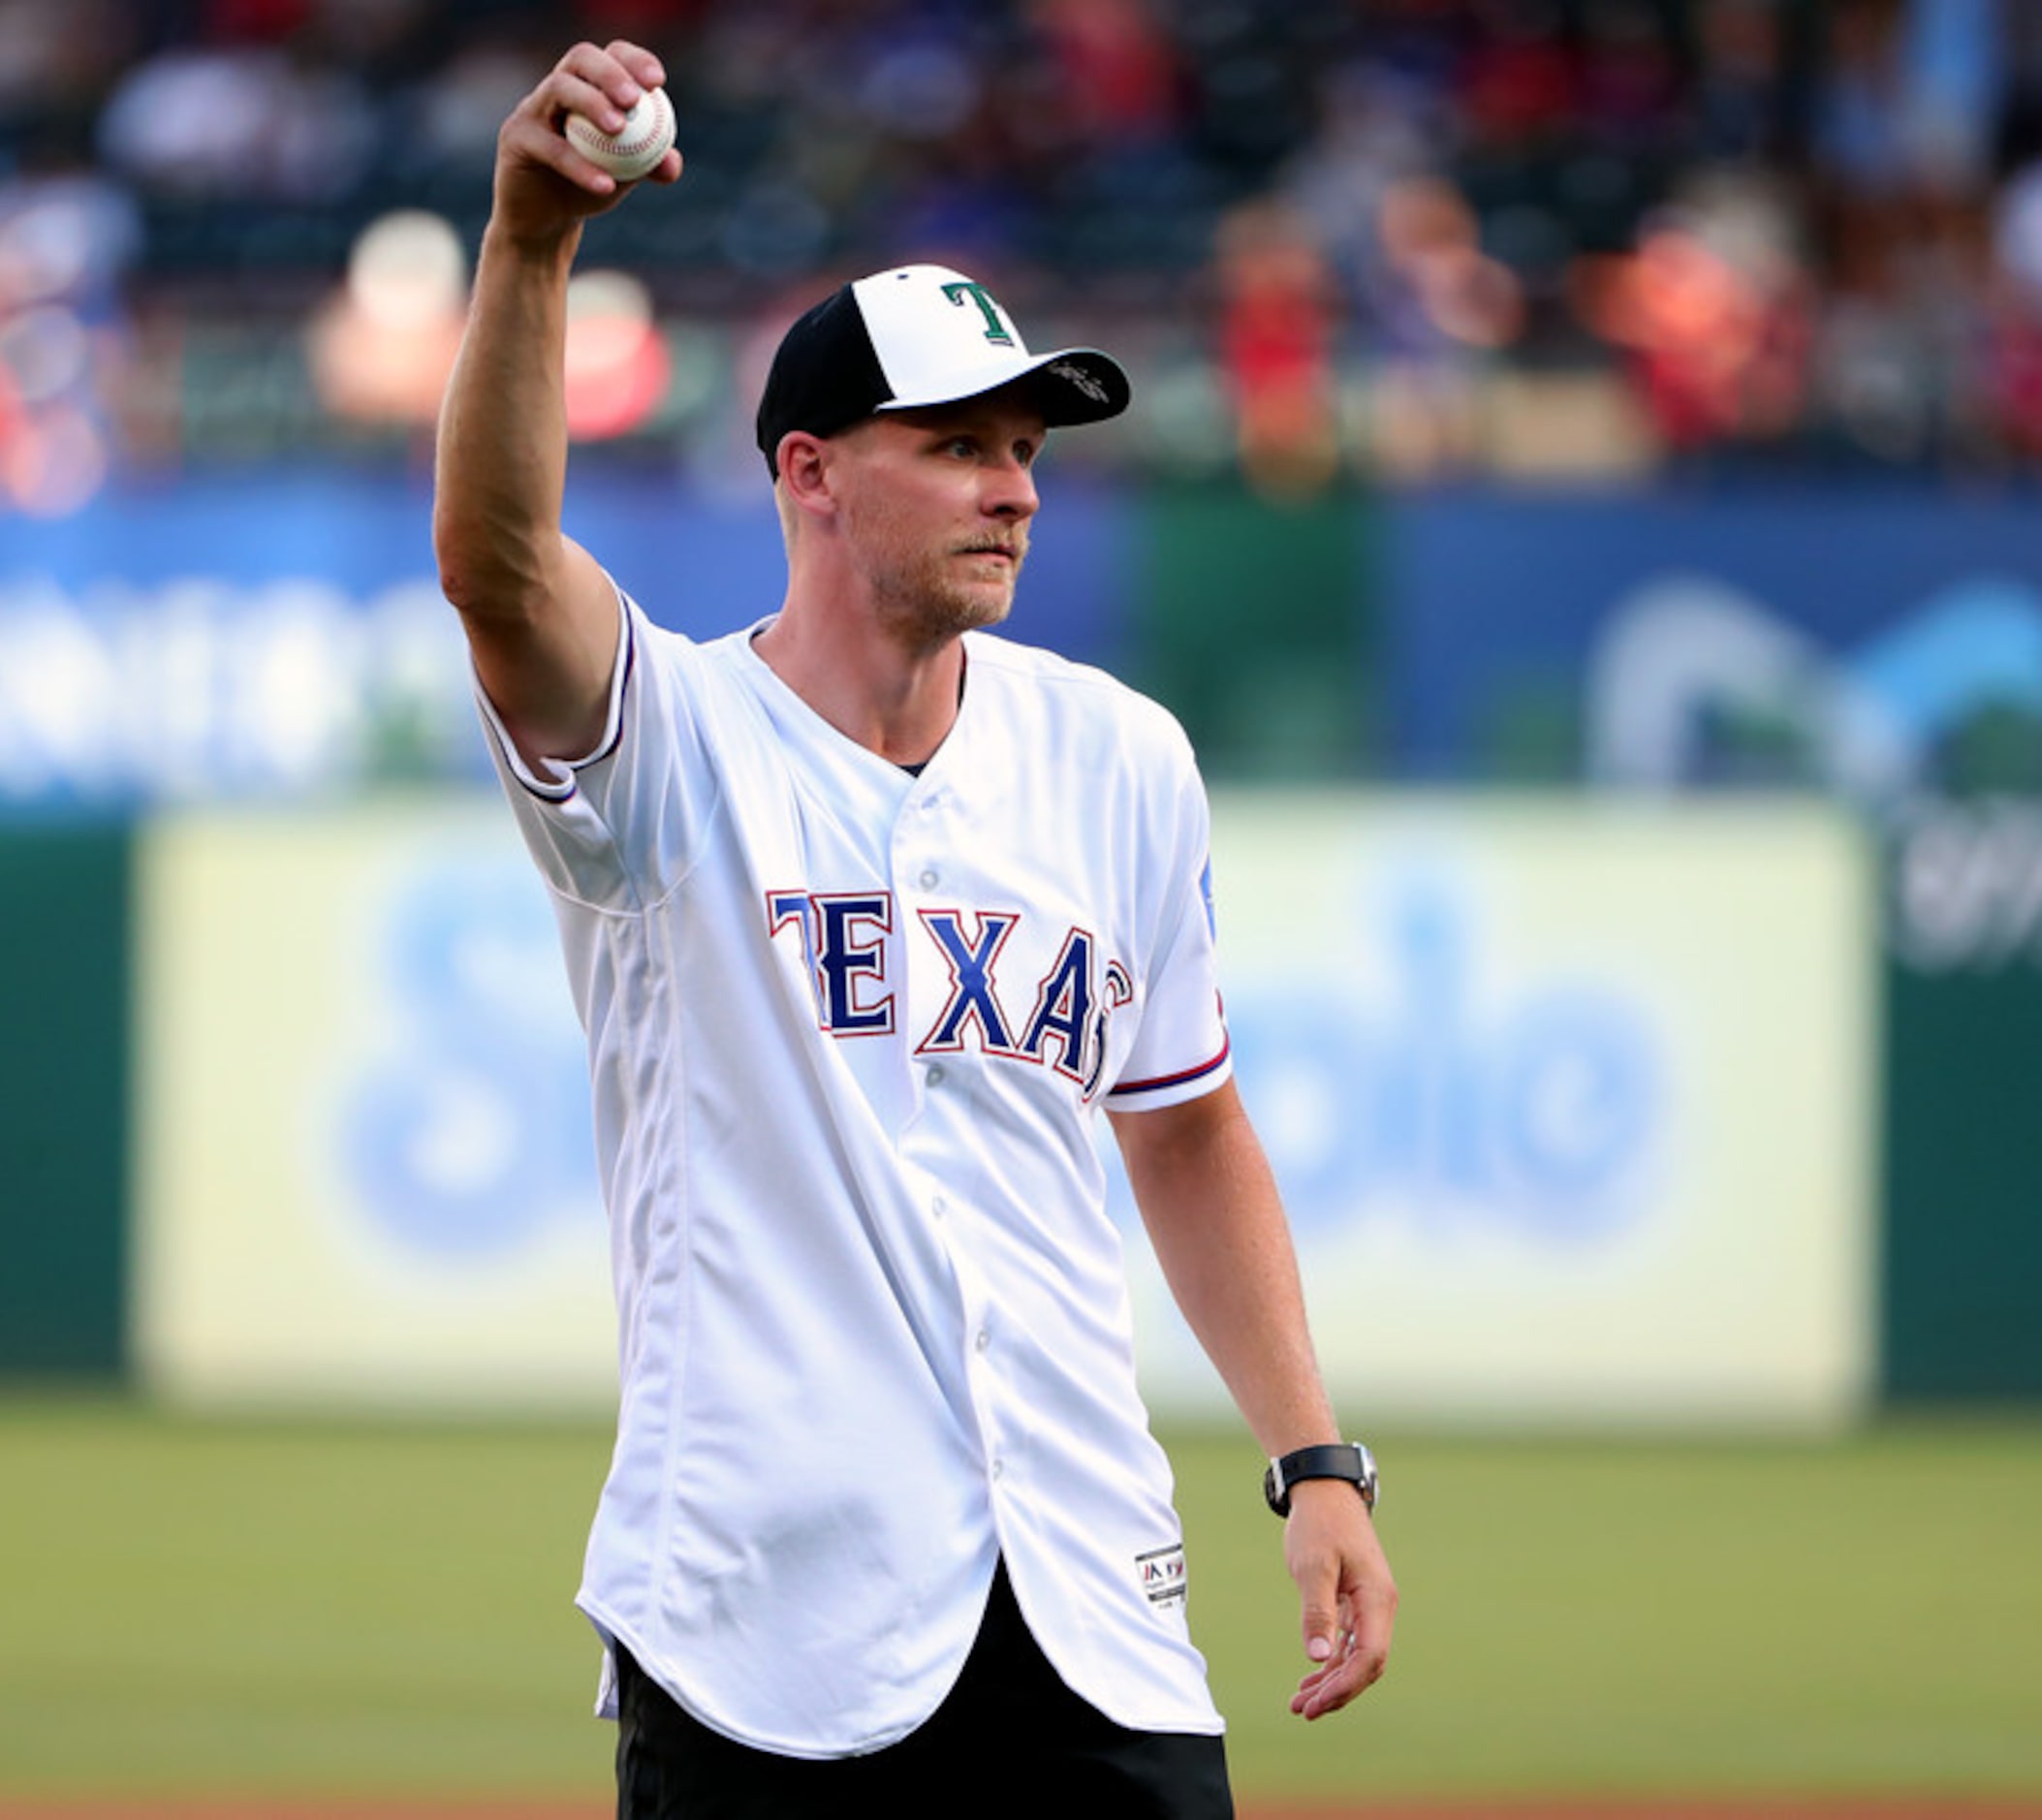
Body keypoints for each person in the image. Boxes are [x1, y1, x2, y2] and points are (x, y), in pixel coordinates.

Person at [432, 39, 1396, 1818]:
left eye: (1025, 446)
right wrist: (532, 248)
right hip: (764, 1636)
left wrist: (1310, 1455)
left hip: (1092, 1604)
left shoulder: (1117, 757)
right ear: (809, 474)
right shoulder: (673, 752)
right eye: (957, 445)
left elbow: (1186, 1127)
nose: (1016, 486)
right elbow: (497, 561)